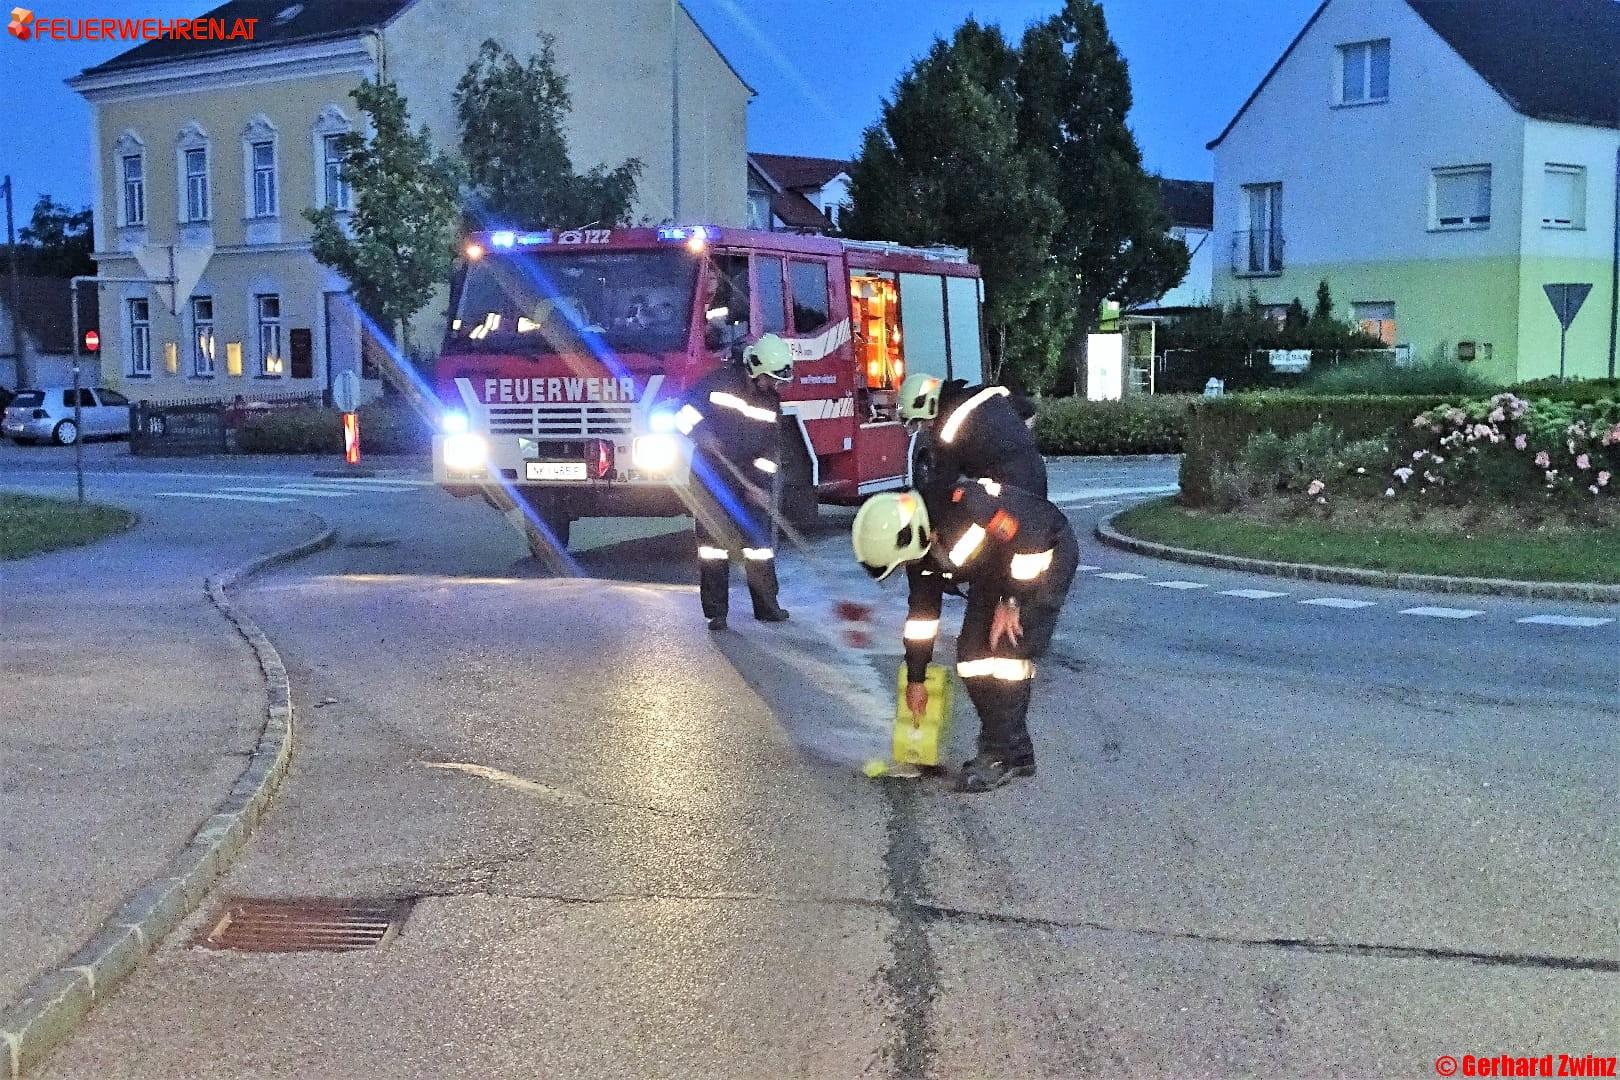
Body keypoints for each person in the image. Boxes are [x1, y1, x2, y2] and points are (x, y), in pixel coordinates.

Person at [852, 480, 1079, 792]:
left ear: (919, 535)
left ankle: (1001, 756)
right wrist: (916, 679)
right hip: (995, 575)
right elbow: (922, 619)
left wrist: (1012, 601)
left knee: (1006, 656)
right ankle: (1017, 751)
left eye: (904, 561)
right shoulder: (923, 555)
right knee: (972, 659)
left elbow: (1029, 539)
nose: (907, 568)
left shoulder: (970, 504)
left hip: (1041, 556)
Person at [676, 333, 795, 631]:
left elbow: (772, 450)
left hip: (748, 480)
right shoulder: (717, 383)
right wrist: (698, 431)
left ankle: (767, 607)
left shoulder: (771, 403)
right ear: (755, 369)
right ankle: (716, 612)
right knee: (713, 546)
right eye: (771, 378)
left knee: (759, 545)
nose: (775, 385)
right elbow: (681, 412)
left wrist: (760, 485)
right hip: (711, 475)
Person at [899, 374, 1047, 502]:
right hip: (1036, 470)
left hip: (1008, 489)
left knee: (971, 530)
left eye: (922, 421)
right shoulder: (988, 391)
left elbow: (943, 482)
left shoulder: (946, 429)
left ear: (928, 405)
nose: (925, 427)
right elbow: (1029, 411)